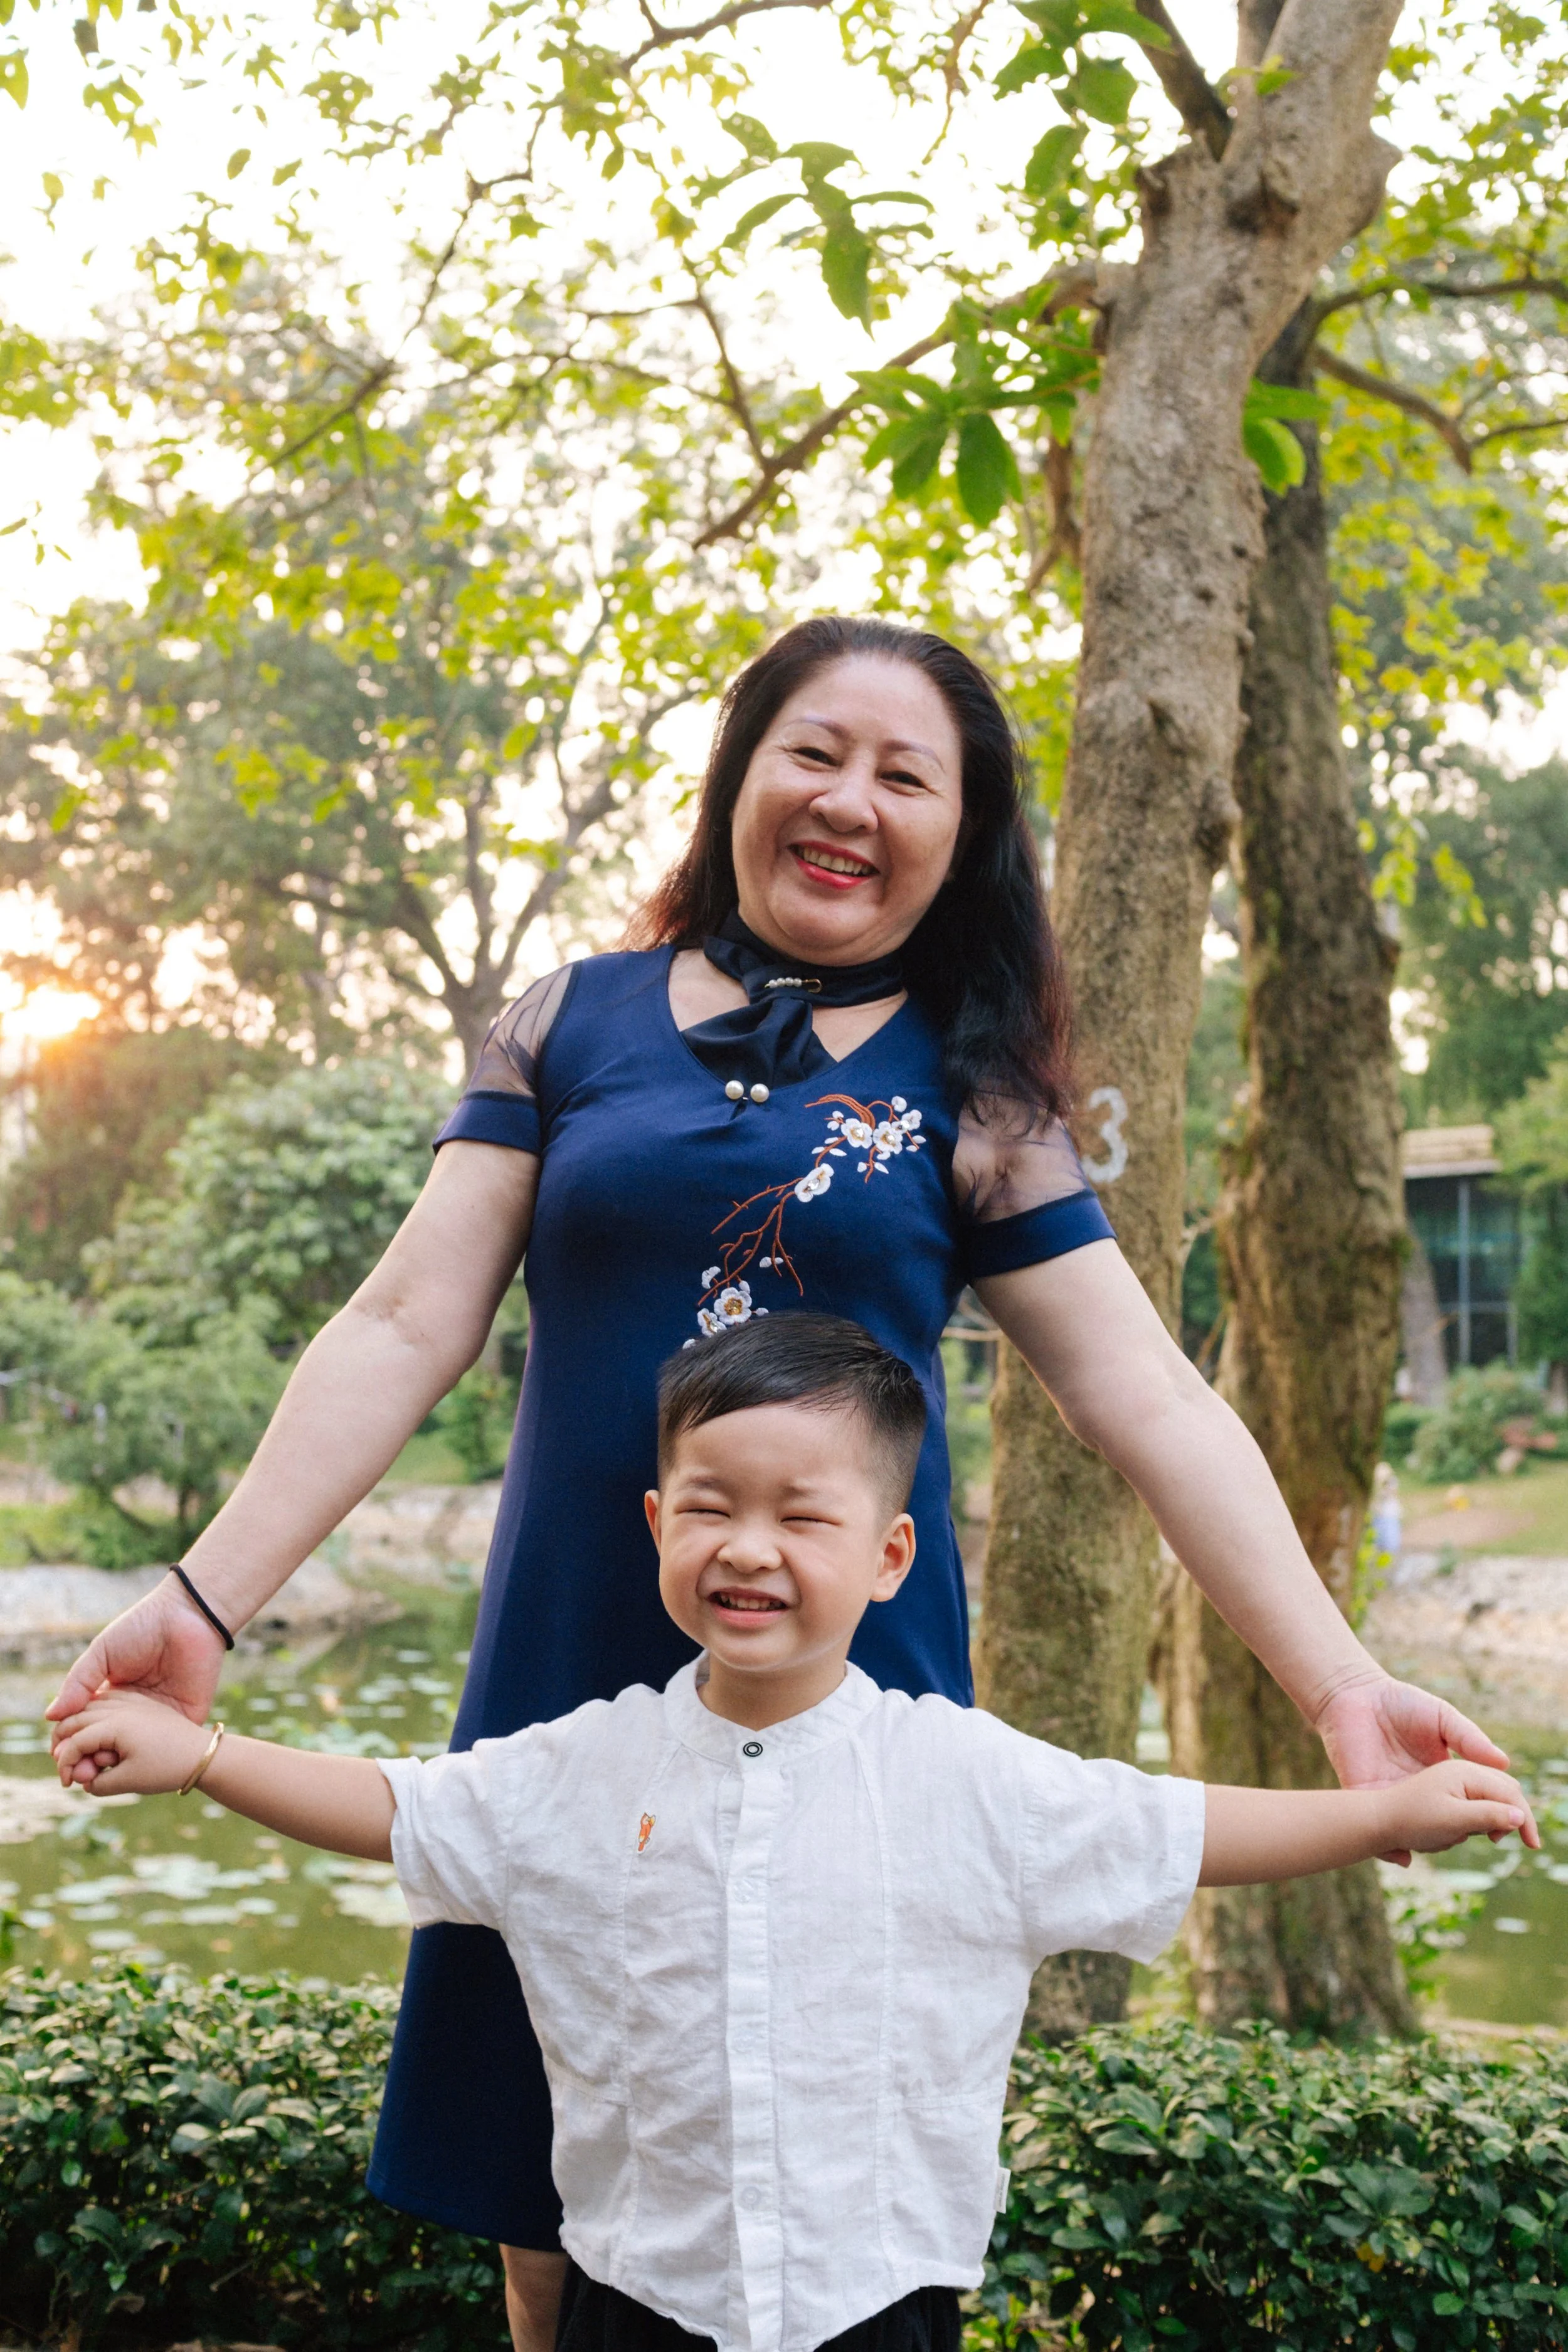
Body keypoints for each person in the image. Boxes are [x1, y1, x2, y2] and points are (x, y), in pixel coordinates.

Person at [45, 617, 1509, 2352]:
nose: (851, 800)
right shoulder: (565, 1022)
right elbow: (400, 1319)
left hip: (840, 1685)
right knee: (542, 2192)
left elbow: (1146, 1395)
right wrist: (203, 1596)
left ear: (961, 836)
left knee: (832, 2165)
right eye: (815, 749)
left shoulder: (976, 1099)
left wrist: (1339, 1681)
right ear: (741, 767)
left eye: (908, 775)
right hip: (574, 1648)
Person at [52, 1316, 1539, 2352]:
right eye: (710, 1508)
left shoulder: (962, 1777)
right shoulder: (582, 1764)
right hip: (635, 2298)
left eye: (801, 1518)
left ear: (890, 1555)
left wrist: (1374, 1815)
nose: (748, 1548)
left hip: (874, 2303)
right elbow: (396, 1808)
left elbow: (1172, 1825)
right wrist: (208, 1757)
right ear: (653, 1528)